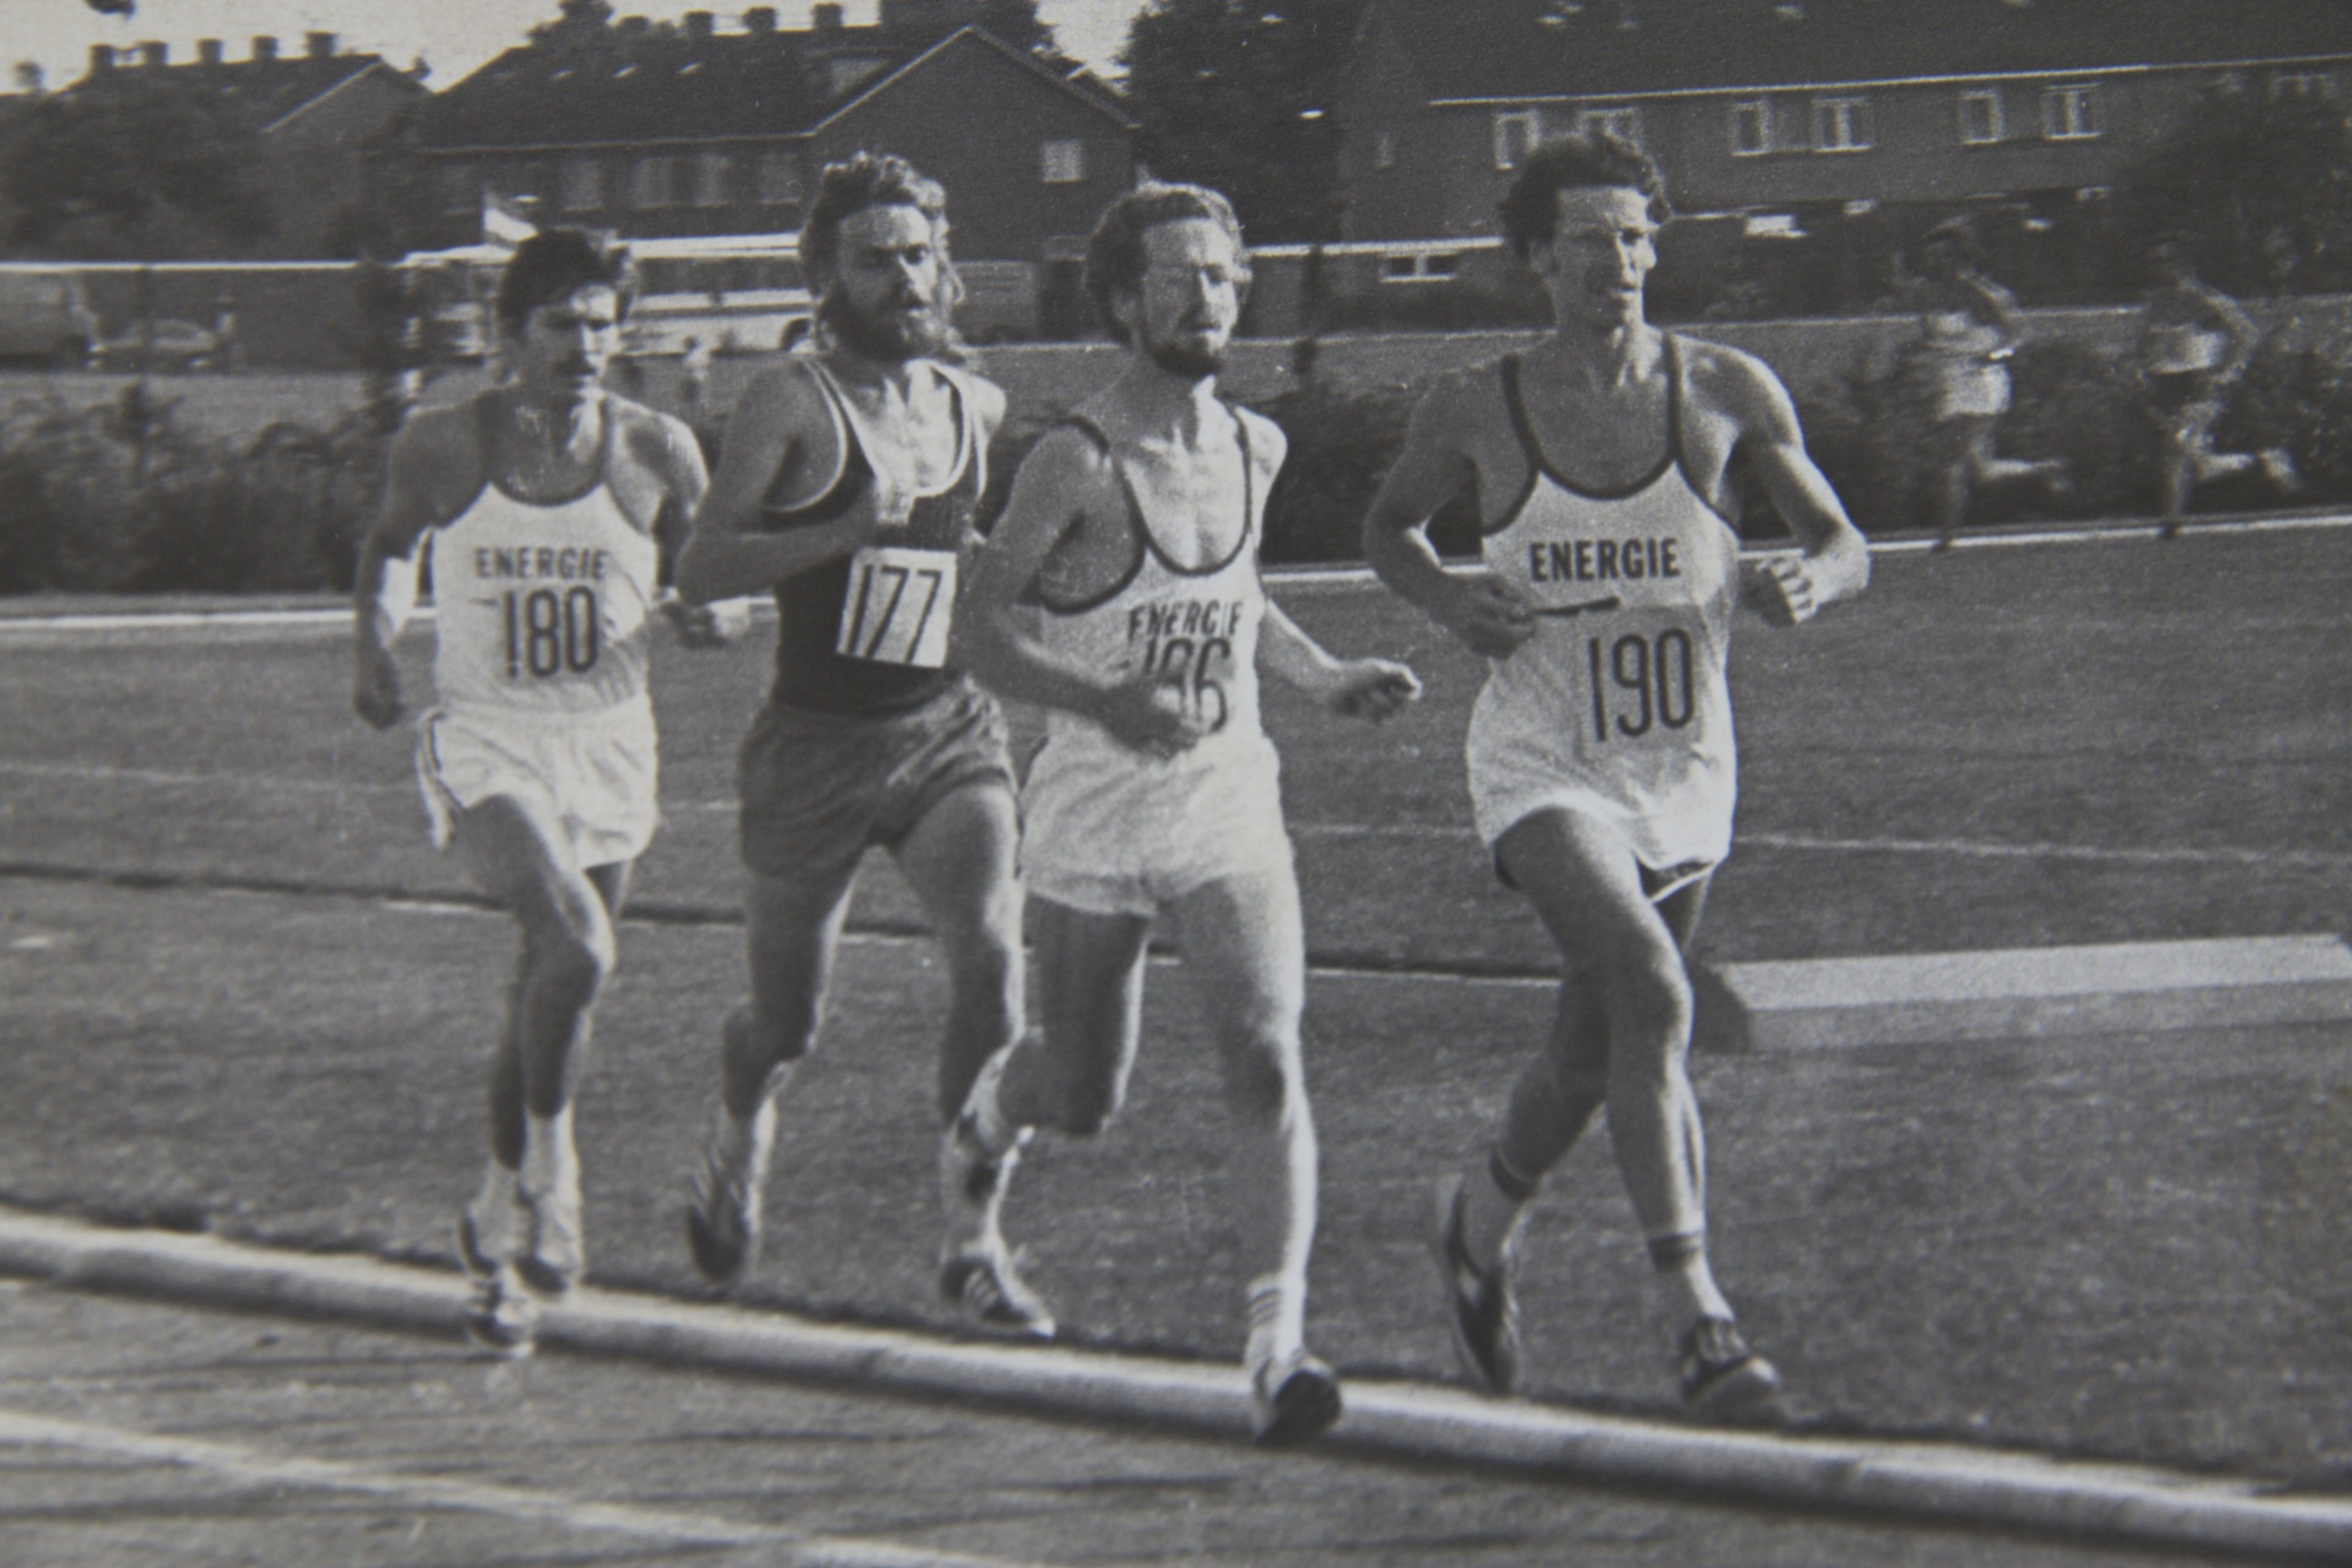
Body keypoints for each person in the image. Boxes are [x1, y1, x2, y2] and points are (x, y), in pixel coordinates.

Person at [1359, 131, 1869, 1423]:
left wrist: (1814, 579)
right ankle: (1698, 1320)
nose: (1619, 263)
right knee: (1651, 988)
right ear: (1536, 258)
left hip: (1683, 769)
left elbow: (1842, 536)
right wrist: (1451, 602)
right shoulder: (1478, 404)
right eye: (1589, 241)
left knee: (1592, 1053)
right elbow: (1387, 527)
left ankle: (1473, 1231)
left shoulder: (1726, 390)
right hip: (1542, 762)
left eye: (1638, 237)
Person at [941, 181, 1422, 1446]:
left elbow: (1240, 601)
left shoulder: (1254, 446)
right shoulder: (1073, 460)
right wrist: (1109, 699)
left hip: (1224, 795)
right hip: (1096, 806)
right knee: (1082, 1090)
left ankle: (1277, 1346)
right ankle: (984, 1131)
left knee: (1266, 1053)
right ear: (1119, 302)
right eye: (1173, 278)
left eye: (1218, 275)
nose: (1202, 298)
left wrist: (1325, 680)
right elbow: (977, 632)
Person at [669, 153, 1036, 1328]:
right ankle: (736, 1143)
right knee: (786, 1026)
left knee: (992, 961)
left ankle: (972, 1241)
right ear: (823, 274)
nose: (903, 277)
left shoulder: (975, 406)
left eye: (919, 254)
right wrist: (836, 526)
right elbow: (704, 565)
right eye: (874, 258)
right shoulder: (789, 399)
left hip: (943, 727)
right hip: (814, 748)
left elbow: (957, 564)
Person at [351, 229, 732, 1354]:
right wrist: (373, 643)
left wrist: (717, 612)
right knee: (576, 951)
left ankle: (492, 1220)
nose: (587, 344)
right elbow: (389, 546)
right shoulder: (440, 444)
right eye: (563, 323)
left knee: (551, 983)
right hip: (489, 738)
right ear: (510, 337)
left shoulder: (661, 448)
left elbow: (712, 581)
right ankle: (557, 1189)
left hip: (610, 742)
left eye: (604, 323)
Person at [1906, 215, 2070, 549]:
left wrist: (1993, 356)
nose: (1938, 262)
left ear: (1963, 255)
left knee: (1951, 458)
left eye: (1946, 255)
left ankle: (1945, 539)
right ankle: (2043, 468)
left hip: (1982, 382)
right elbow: (1930, 341)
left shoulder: (1985, 294)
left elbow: (2019, 335)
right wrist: (1923, 367)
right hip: (1948, 383)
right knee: (1980, 471)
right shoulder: (1925, 293)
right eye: (1933, 256)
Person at [2136, 243, 2300, 537]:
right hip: (2167, 383)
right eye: (2153, 262)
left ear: (2182, 263)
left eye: (2162, 261)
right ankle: (2263, 460)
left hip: (2200, 382)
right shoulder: (2156, 303)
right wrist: (2143, 368)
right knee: (2189, 458)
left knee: (2178, 446)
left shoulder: (2205, 299)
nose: (2156, 268)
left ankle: (2172, 521)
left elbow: (2247, 334)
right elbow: (2143, 343)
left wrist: (2228, 371)